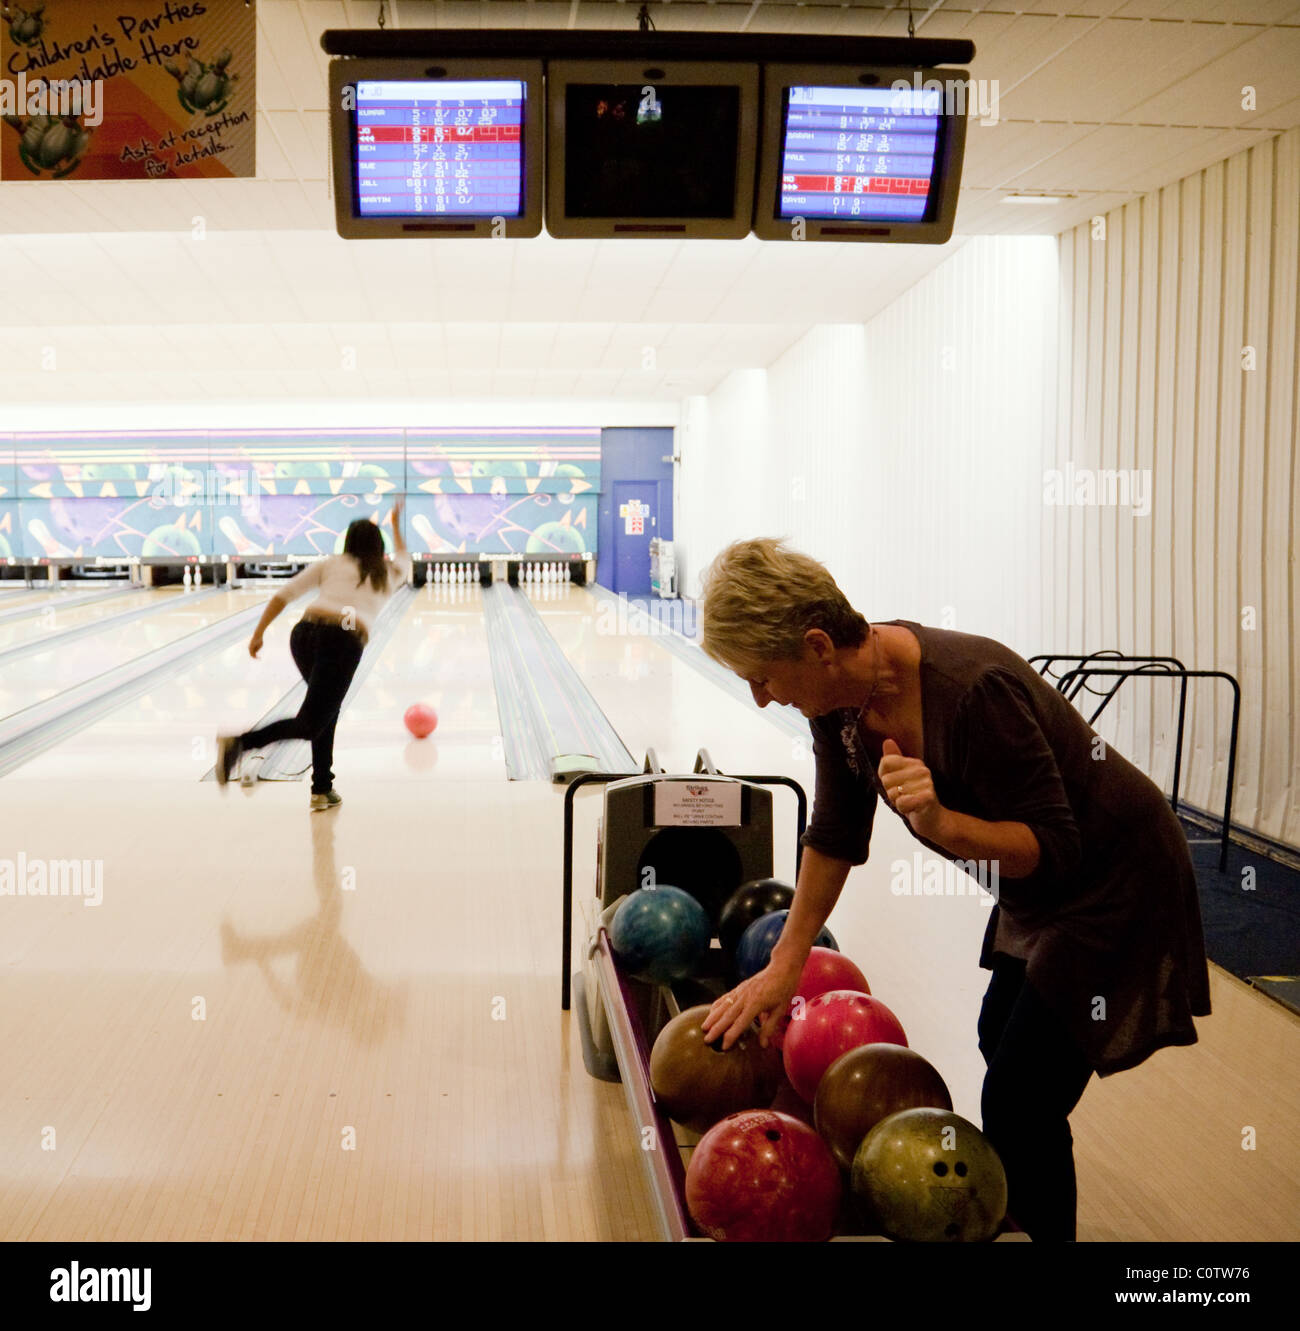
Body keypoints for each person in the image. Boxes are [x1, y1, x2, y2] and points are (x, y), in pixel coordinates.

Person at [698, 537, 1211, 1241]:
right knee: (995, 1034)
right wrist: (785, 963)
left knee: (1021, 1098)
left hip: (1116, 875)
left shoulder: (970, 693)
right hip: (1041, 883)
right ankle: (1013, 1208)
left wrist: (941, 820)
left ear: (817, 645)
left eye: (762, 676)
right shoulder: (839, 702)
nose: (760, 696)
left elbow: (1055, 849)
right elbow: (837, 832)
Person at [216, 500, 411, 810]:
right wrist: (396, 523)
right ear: (379, 546)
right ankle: (239, 744)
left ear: (347, 542)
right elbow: (404, 557)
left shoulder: (331, 563)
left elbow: (284, 595)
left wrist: (258, 633)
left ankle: (322, 787)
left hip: (304, 634)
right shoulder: (388, 571)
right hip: (342, 640)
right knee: (312, 722)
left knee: (325, 713)